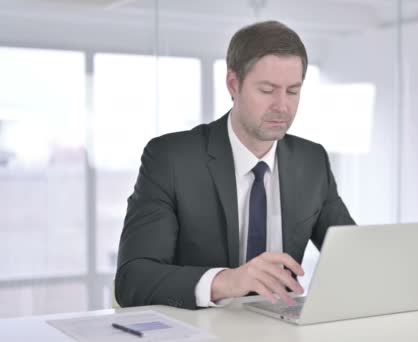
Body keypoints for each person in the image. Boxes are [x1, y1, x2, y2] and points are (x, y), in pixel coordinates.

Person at [115, 20, 355, 309]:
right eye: (267, 90)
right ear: (233, 84)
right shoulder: (171, 158)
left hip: (279, 329)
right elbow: (133, 279)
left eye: (293, 91)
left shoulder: (312, 160)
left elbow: (352, 256)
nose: (282, 105)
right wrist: (226, 281)